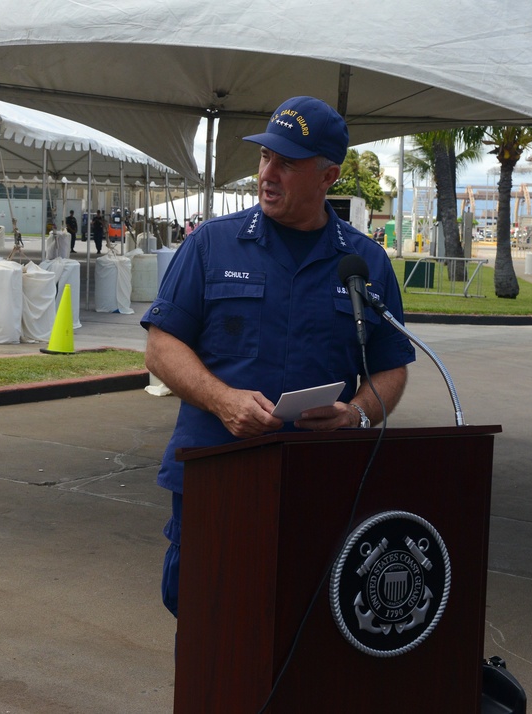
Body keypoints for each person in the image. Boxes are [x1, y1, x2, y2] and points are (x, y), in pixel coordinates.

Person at [141, 96, 415, 620]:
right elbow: (161, 345)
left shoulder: (364, 263)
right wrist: (222, 401)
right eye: (266, 157)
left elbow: (391, 366)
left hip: (321, 481)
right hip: (217, 470)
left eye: (288, 163)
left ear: (328, 175)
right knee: (206, 616)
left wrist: (355, 413)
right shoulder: (211, 246)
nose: (268, 173)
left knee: (307, 621)